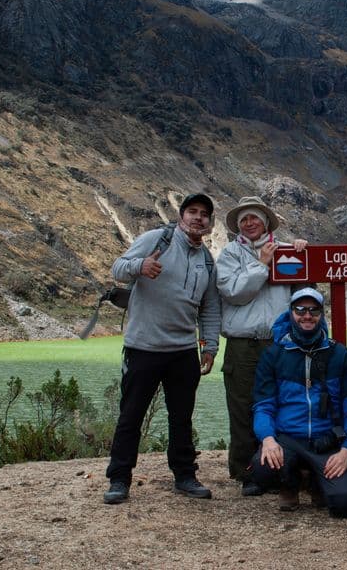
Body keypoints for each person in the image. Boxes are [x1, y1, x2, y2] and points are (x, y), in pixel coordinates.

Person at [103, 193, 220, 504]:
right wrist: (141, 266)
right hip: (143, 346)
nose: (198, 218)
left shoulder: (207, 260)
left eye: (204, 214)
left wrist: (210, 344)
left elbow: (209, 308)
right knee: (131, 415)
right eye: (192, 212)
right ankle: (119, 478)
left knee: (181, 417)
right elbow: (118, 267)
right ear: (181, 216)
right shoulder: (159, 239)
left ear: (210, 223)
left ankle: (185, 475)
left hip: (182, 351)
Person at [216, 195, 308, 496]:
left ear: (266, 221)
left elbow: (304, 293)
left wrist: (303, 254)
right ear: (238, 226)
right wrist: (261, 265)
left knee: (282, 405)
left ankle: (281, 469)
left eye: (254, 217)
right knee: (243, 406)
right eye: (244, 219)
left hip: (280, 343)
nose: (250, 223)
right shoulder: (229, 254)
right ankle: (248, 473)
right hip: (242, 344)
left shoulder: (285, 252)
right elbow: (234, 292)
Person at [251, 288, 347, 517]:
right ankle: (289, 483)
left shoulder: (339, 354)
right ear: (291, 313)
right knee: (262, 469)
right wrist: (268, 439)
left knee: (345, 504)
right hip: (288, 438)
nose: (307, 315)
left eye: (314, 310)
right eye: (300, 309)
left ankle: (317, 481)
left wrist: (346, 450)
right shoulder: (275, 354)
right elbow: (263, 405)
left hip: (327, 439)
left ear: (321, 314)